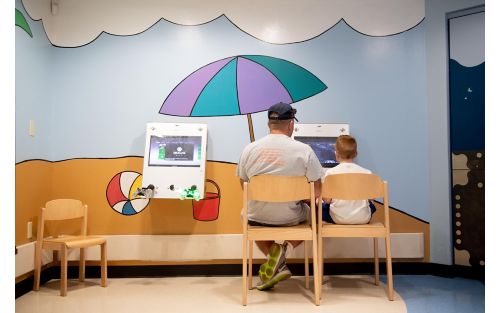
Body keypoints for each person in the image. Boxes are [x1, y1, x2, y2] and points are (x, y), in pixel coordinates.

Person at [236, 102, 323, 291]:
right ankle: (282, 254)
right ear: (291, 123)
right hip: (290, 217)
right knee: (313, 214)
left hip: (257, 217)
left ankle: (275, 261)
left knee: (247, 213)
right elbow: (317, 191)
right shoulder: (304, 150)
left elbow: (244, 185)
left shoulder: (249, 149)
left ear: (269, 124)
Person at [322, 135, 377, 224]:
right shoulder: (367, 173)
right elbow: (372, 197)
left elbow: (327, 200)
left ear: (336, 154)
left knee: (322, 206)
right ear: (356, 153)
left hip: (338, 218)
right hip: (363, 218)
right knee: (371, 205)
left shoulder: (330, 173)